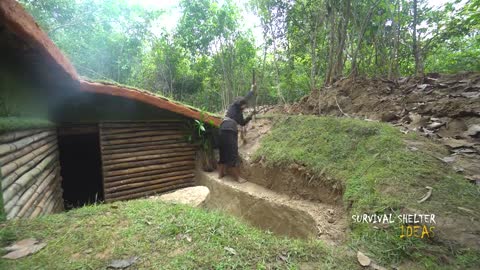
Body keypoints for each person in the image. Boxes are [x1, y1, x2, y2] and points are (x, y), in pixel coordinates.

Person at [218, 84, 256, 182]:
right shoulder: (235, 106)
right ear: (240, 103)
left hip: (222, 128)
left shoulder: (237, 112)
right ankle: (237, 178)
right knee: (233, 153)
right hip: (230, 129)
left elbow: (242, 123)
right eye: (244, 105)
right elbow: (245, 99)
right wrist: (252, 90)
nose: (245, 107)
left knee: (223, 150)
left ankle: (221, 174)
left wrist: (250, 115)